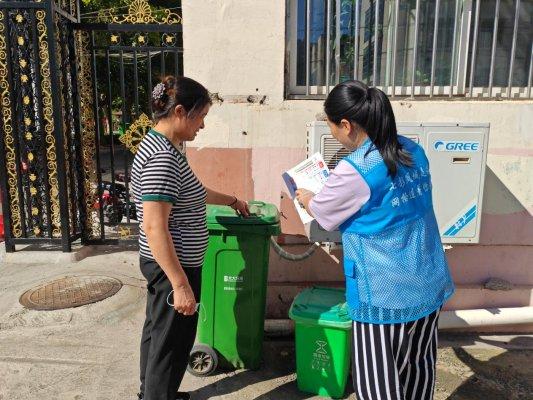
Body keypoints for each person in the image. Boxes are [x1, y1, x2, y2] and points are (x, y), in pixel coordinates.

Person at [296, 80, 454, 400]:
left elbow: (325, 215)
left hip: (383, 295)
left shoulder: (356, 170)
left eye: (332, 127)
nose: (334, 135)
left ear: (346, 125)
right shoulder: (412, 149)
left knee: (377, 385)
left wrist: (306, 197)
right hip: (427, 282)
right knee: (418, 366)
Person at [131, 75, 249, 400]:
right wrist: (180, 284)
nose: (202, 126)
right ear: (181, 112)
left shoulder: (165, 147)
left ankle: (154, 394)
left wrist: (232, 200)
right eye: (201, 117)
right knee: (171, 344)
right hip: (174, 268)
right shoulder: (163, 158)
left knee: (159, 335)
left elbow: (192, 192)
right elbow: (155, 226)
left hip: (170, 265)